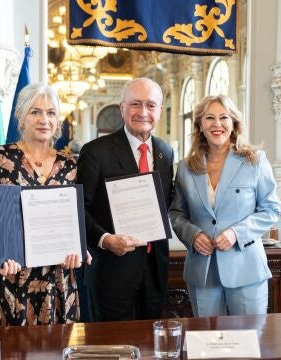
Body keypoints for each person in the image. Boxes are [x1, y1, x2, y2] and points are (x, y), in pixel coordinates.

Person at [0, 82, 88, 326]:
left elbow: (76, 220)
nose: (44, 119)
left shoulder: (70, 166)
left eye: (51, 113)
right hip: (9, 278)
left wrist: (78, 250)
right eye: (35, 112)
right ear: (21, 118)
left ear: (58, 121)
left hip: (56, 280)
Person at [169, 94, 280, 317]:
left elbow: (271, 210)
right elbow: (177, 213)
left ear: (233, 124)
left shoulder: (254, 160)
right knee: (206, 344)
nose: (217, 124)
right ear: (200, 125)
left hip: (246, 268)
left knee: (250, 342)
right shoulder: (185, 167)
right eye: (209, 118)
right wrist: (192, 235)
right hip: (202, 271)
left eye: (224, 117)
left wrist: (235, 234)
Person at [77, 77, 174, 321]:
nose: (143, 112)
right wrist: (105, 239)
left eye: (151, 105)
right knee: (112, 350)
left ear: (160, 111)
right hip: (111, 273)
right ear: (122, 108)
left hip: (155, 270)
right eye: (135, 104)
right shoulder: (96, 152)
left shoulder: (165, 153)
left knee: (150, 347)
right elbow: (79, 210)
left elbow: (167, 204)